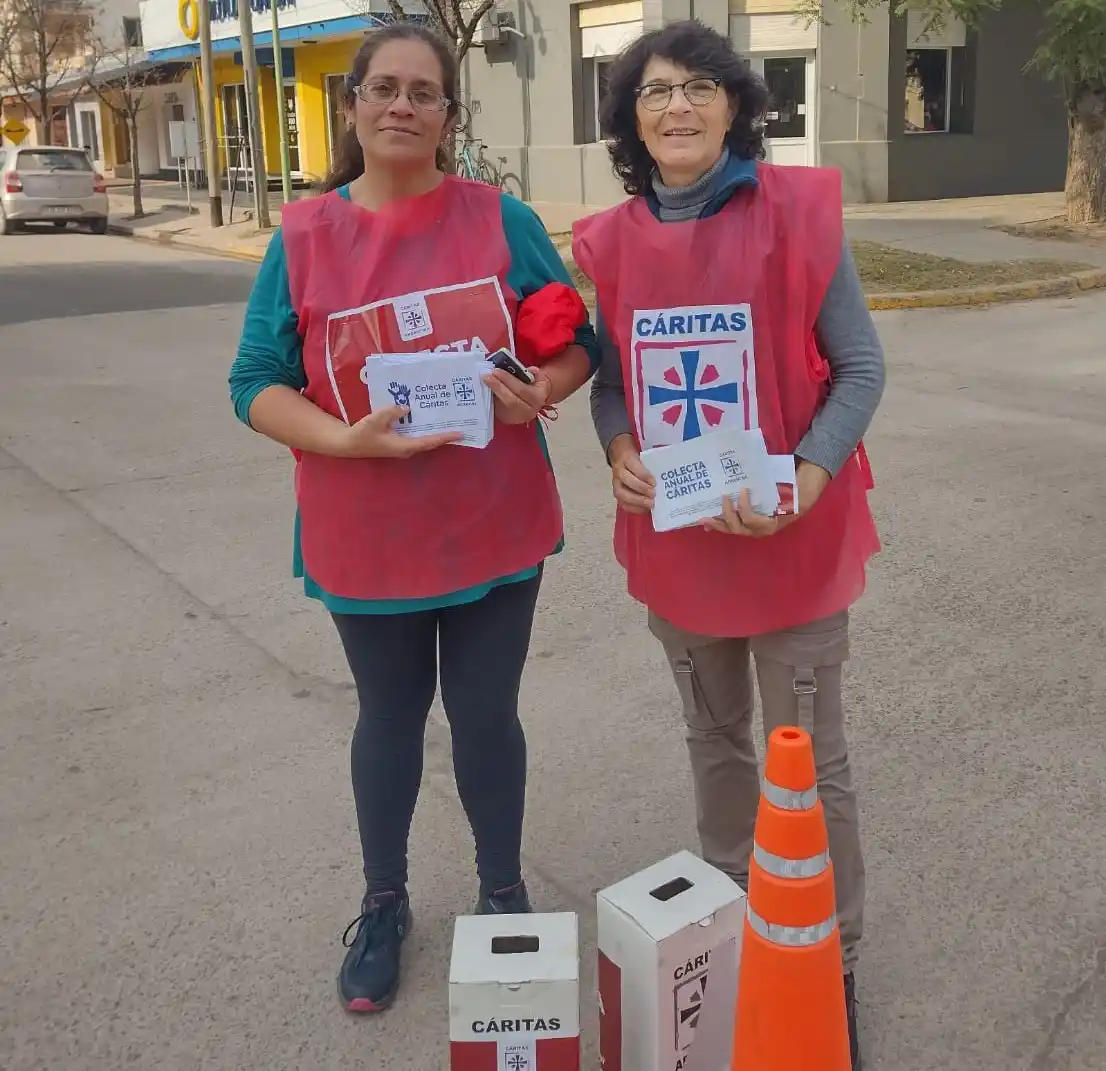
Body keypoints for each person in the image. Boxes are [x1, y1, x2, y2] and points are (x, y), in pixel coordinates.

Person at [228, 23, 599, 1015]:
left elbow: (576, 341)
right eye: (383, 88)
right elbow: (254, 383)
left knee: (485, 718)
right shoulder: (304, 235)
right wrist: (343, 442)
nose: (402, 105)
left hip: (494, 523)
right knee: (389, 719)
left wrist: (544, 385)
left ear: (446, 114)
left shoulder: (500, 219)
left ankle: (501, 888)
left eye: (423, 92)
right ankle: (384, 900)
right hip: (366, 536)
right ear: (352, 106)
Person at [573, 20, 885, 1067]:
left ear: (738, 108)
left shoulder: (799, 215)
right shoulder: (609, 243)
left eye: (702, 88)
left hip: (790, 531)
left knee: (809, 761)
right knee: (713, 742)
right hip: (684, 543)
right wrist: (615, 440)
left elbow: (859, 371)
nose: (678, 106)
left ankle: (829, 960)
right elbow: (615, 377)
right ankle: (732, 918)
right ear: (629, 118)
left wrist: (805, 474)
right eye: (656, 91)